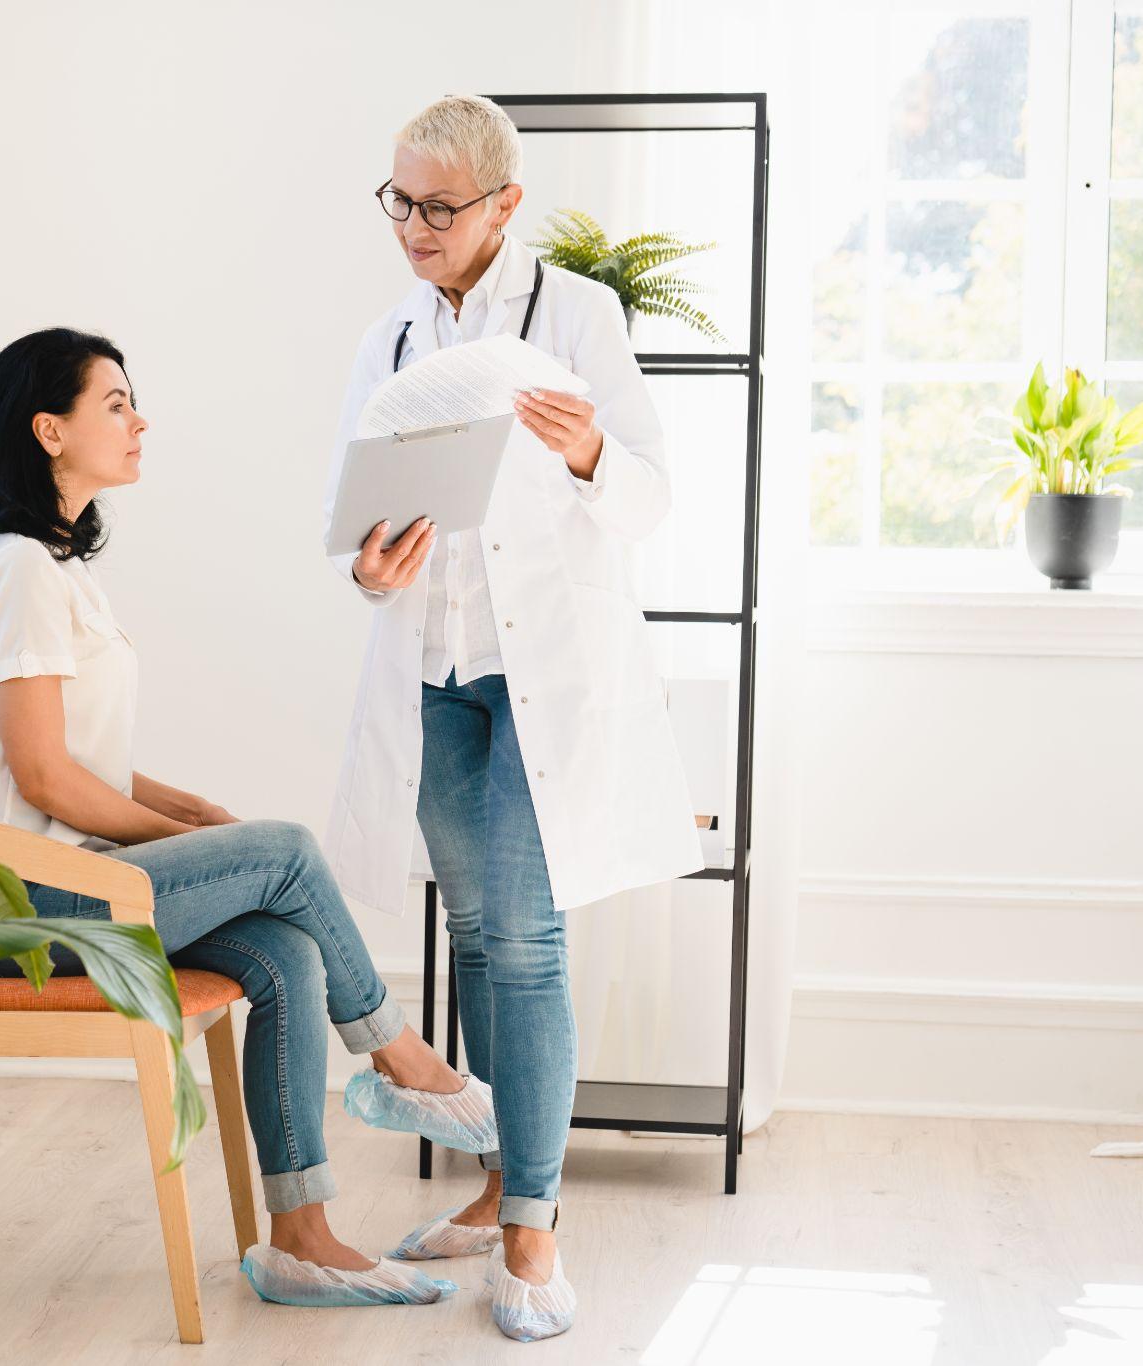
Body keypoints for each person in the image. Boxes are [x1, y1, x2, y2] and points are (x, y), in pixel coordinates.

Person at [0, 326, 501, 1309]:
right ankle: (401, 1059)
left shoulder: (57, 569)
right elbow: (44, 777)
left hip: (70, 882)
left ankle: (302, 1240)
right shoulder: (17, 566)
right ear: (47, 430)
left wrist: (182, 808)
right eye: (113, 402)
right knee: (282, 850)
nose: (137, 419)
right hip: (8, 908)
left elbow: (72, 759)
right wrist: (182, 836)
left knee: (284, 946)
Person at [321, 94, 707, 1343]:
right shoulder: (388, 337)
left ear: (503, 204)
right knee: (477, 939)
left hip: (538, 680)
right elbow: (357, 514)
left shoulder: (576, 316)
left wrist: (592, 447)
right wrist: (367, 571)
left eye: (438, 206)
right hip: (428, 677)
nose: (413, 227)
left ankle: (535, 1223)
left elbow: (648, 499)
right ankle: (494, 1186)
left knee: (528, 944)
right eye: (398, 201)